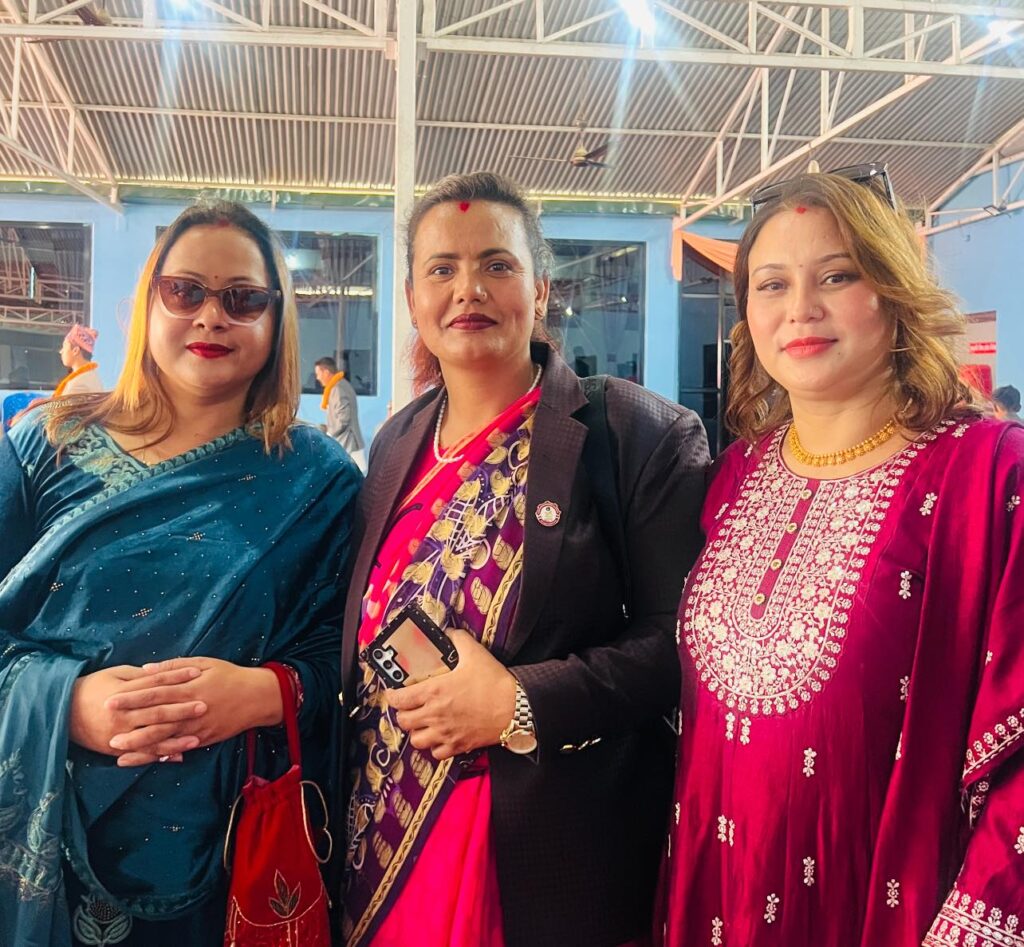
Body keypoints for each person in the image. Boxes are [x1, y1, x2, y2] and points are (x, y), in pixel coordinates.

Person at [337, 171, 710, 947]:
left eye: (496, 265)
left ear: (539, 290)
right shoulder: (395, 444)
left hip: (539, 856)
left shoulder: (633, 432)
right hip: (382, 836)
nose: (467, 289)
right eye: (442, 268)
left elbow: (679, 642)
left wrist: (518, 701)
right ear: (412, 299)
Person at [656, 168, 1024, 946]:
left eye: (837, 275)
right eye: (772, 284)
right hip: (718, 894)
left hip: (893, 908)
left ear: (893, 290)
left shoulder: (991, 475)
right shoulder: (736, 476)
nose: (801, 309)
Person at [0, 199, 360, 945]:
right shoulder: (46, 443)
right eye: (185, 290)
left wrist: (264, 693)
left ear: (276, 319)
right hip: (43, 834)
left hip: (227, 853)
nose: (211, 316)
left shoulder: (318, 479)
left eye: (243, 298)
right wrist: (66, 702)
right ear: (150, 300)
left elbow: (349, 659)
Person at [315, 354, 367, 472]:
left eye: (318, 373)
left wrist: (329, 434)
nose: (317, 378)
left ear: (326, 372)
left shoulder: (337, 389)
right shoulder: (340, 385)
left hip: (348, 444)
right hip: (348, 443)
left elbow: (343, 419)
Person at [56, 323, 103, 396]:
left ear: (75, 350)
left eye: (64, 346)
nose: (61, 351)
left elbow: (62, 404)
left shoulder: (78, 385)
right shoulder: (90, 376)